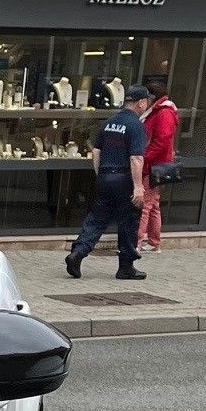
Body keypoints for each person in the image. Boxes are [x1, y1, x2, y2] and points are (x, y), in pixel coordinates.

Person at [65, 84, 149, 281]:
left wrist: (101, 175)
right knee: (129, 221)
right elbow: (136, 158)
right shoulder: (136, 125)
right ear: (141, 103)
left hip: (105, 176)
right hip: (123, 178)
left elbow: (96, 151)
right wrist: (138, 186)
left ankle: (77, 253)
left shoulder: (109, 123)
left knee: (97, 219)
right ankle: (126, 267)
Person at [139, 74, 179, 254]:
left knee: (145, 204)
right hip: (156, 164)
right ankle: (154, 242)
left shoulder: (163, 113)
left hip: (154, 166)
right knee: (153, 204)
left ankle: (136, 243)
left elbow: (161, 140)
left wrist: (144, 158)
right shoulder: (159, 111)